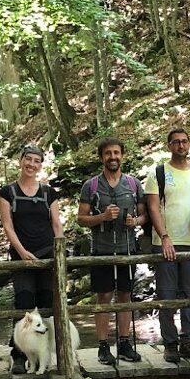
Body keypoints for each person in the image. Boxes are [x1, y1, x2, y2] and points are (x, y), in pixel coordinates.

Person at [76, 137, 144, 365]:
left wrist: (135, 221)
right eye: (108, 153)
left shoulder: (133, 184)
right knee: (104, 296)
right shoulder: (91, 186)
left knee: (125, 294)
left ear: (122, 155)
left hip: (127, 248)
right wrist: (102, 217)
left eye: (116, 153)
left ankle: (124, 343)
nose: (112, 157)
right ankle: (103, 346)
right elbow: (81, 219)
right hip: (101, 250)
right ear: (101, 157)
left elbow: (145, 215)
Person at [0, 145, 63, 373]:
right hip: (21, 256)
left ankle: (46, 354)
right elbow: (8, 226)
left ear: (41, 165)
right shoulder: (8, 192)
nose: (31, 164)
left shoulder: (48, 193)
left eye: (36, 161)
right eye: (28, 159)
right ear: (21, 161)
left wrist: (59, 250)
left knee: (46, 306)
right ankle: (18, 354)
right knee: (23, 305)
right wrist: (22, 251)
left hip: (46, 256)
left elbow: (56, 224)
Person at [145, 128, 190, 364]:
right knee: (167, 295)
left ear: (189, 144)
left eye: (184, 142)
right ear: (169, 146)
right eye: (176, 142)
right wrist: (164, 236)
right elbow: (153, 207)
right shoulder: (158, 173)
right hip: (166, 242)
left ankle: (188, 340)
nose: (181, 146)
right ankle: (170, 344)